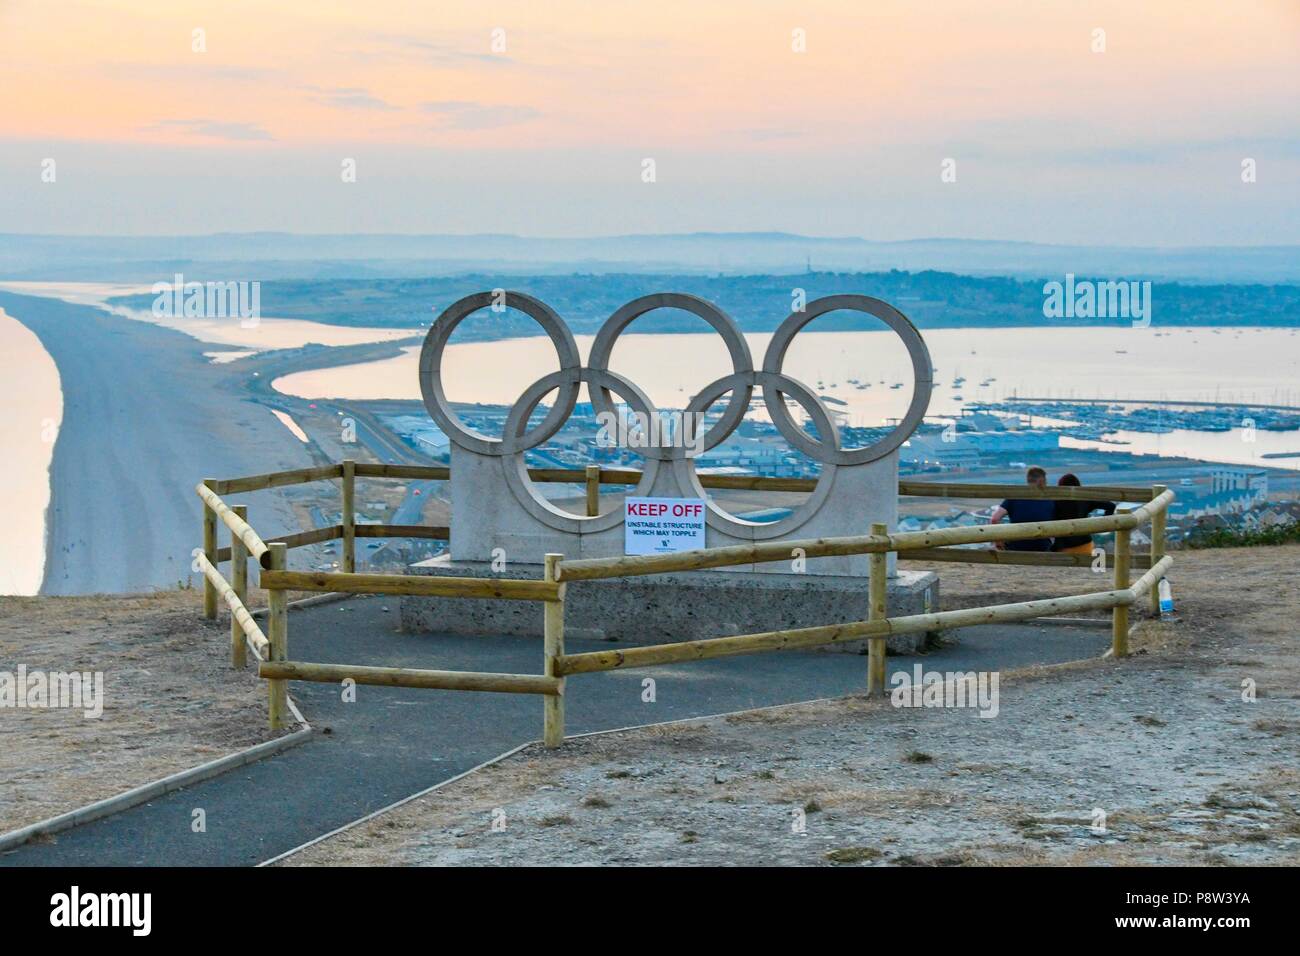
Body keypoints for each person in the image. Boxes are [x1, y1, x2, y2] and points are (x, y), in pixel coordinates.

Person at [989, 466, 1054, 551]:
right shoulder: (1050, 500)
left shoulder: (1015, 496)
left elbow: (994, 519)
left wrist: (998, 542)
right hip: (1042, 548)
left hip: (1016, 548)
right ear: (1042, 480)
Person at [1050, 473, 1116, 554]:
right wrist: (1103, 524)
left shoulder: (1056, 501)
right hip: (1085, 544)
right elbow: (1111, 506)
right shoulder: (1084, 498)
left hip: (1064, 546)